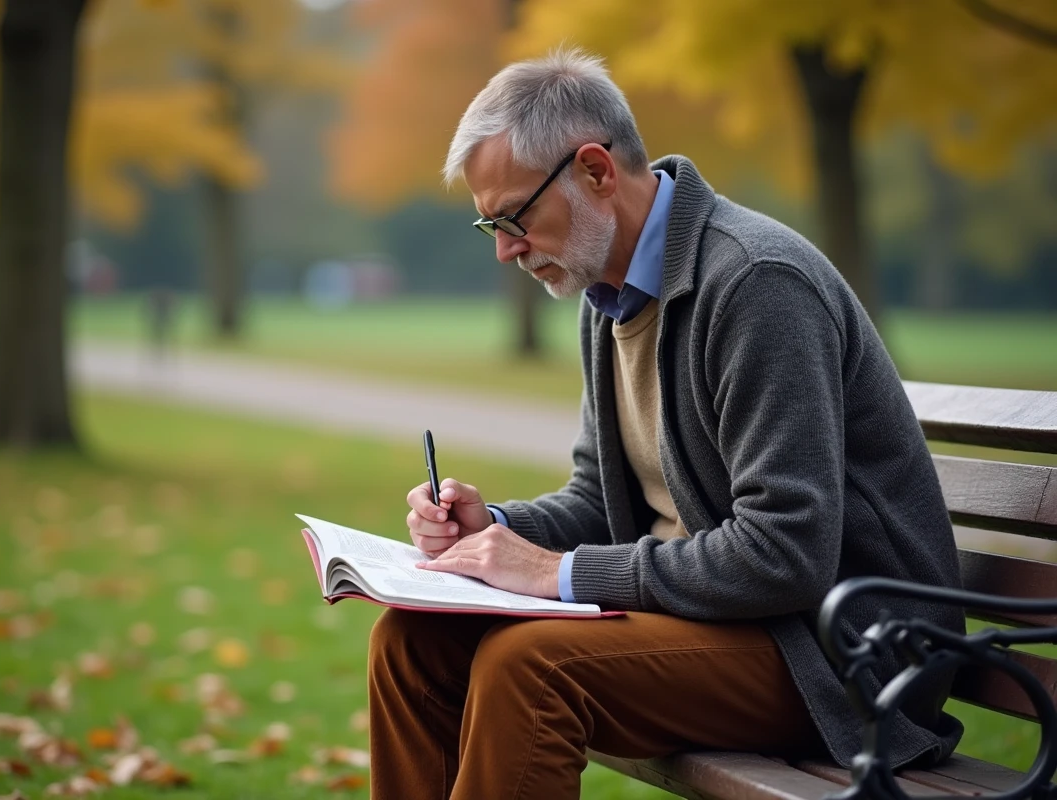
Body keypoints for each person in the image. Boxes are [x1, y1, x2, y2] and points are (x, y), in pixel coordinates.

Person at [368, 48, 965, 800]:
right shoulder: (607, 293)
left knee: (532, 667)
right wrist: (496, 532)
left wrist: (555, 574)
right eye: (490, 223)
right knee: (413, 641)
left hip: (844, 657)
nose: (505, 250)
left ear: (594, 171)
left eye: (516, 217)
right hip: (730, 629)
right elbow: (601, 499)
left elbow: (786, 553)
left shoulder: (756, 282)